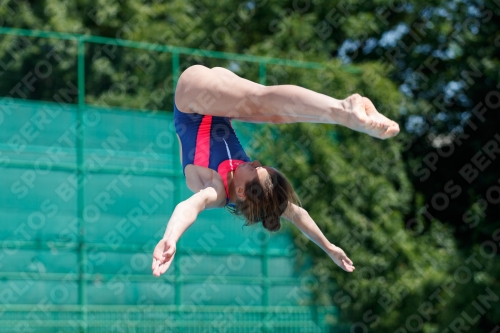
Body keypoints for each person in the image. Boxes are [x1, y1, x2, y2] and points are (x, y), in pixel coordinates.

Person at [152, 65, 400, 277]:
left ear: (241, 190)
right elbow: (297, 214)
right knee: (272, 112)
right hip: (221, 105)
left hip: (194, 100)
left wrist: (171, 238)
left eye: (255, 169)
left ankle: (345, 109)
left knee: (261, 100)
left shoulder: (216, 190)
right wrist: (329, 247)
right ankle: (345, 111)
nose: (256, 162)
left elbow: (188, 208)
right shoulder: (254, 191)